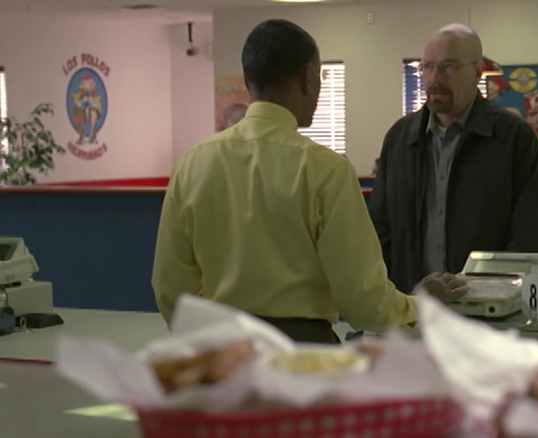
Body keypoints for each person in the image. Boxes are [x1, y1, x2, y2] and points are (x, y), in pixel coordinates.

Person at [151, 19, 468, 344]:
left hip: (220, 354)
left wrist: (211, 350)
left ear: (249, 80)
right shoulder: (325, 171)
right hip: (303, 355)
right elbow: (363, 301)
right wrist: (420, 307)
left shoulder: (192, 165)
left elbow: (169, 288)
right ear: (307, 78)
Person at [370, 23, 538, 294]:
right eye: (427, 67)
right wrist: (395, 298)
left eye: (449, 67)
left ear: (477, 71)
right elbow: (380, 232)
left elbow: (529, 237)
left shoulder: (512, 138)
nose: (435, 79)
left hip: (487, 312)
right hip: (412, 309)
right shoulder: (399, 139)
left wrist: (498, 296)